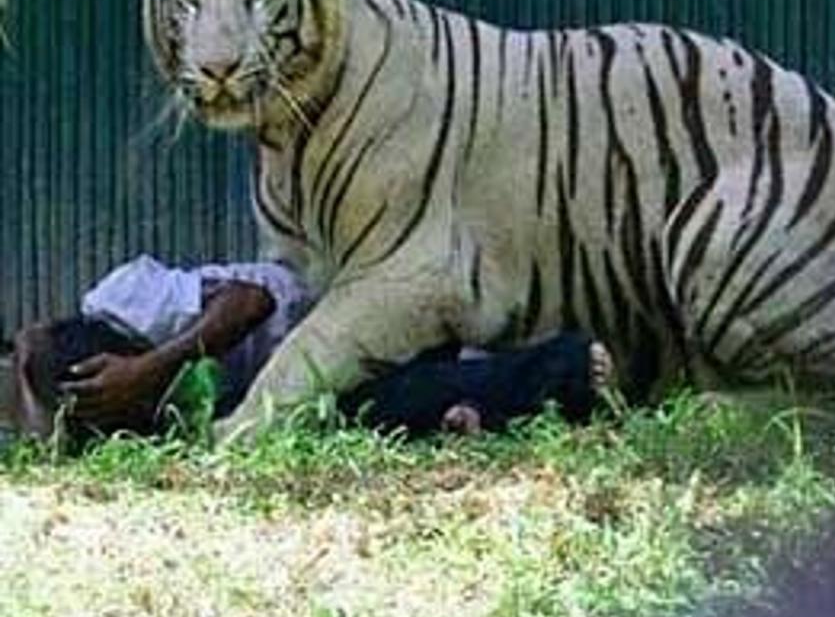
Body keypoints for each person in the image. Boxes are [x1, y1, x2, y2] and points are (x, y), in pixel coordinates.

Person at [5, 255, 610, 443]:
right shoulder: (156, 418)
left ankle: (569, 366)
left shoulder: (125, 300)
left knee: (373, 404)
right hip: (304, 381)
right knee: (378, 414)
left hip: (343, 310)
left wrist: (148, 370)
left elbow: (249, 303)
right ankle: (500, 399)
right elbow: (33, 343)